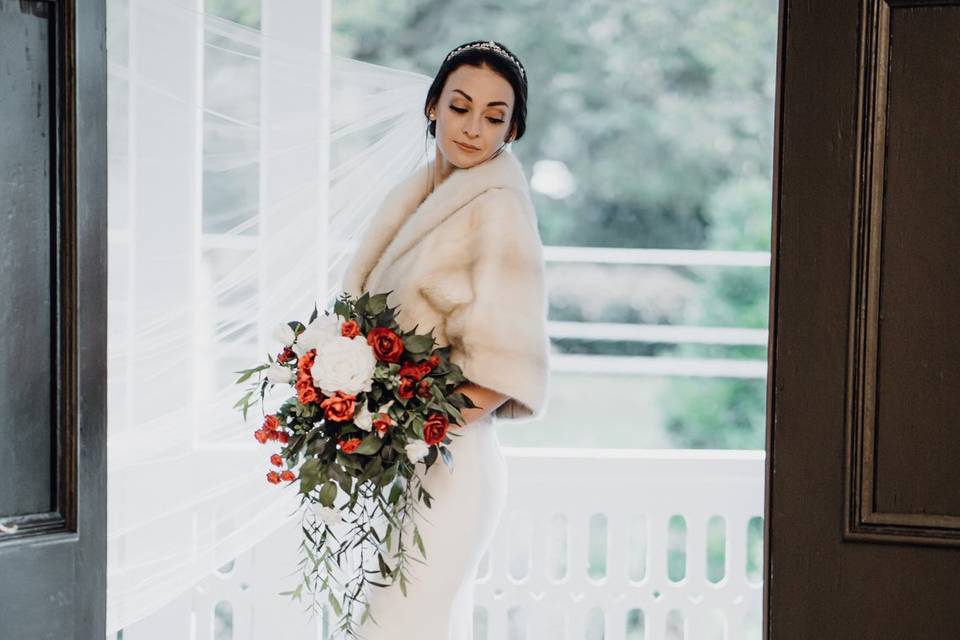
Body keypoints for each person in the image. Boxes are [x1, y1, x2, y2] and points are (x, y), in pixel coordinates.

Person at [341, 40, 551, 639]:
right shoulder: (422, 193)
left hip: (452, 470)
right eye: (461, 107)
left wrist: (397, 428)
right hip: (415, 465)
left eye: (494, 117)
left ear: (512, 130)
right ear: (433, 106)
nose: (473, 129)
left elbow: (498, 374)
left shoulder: (499, 207)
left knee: (392, 629)